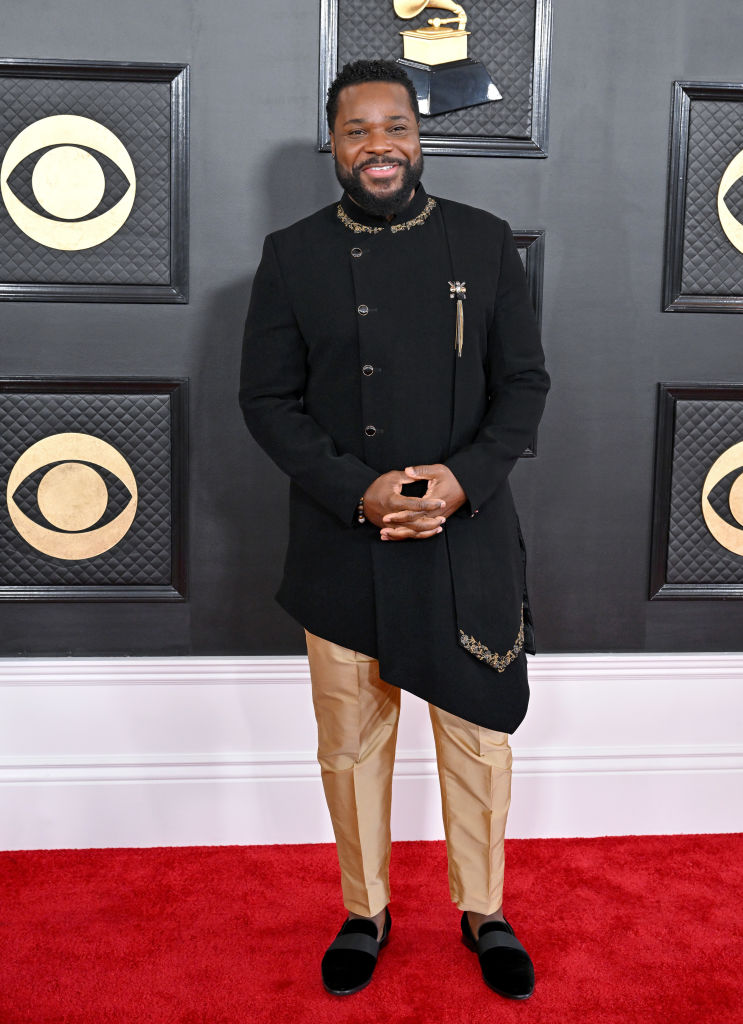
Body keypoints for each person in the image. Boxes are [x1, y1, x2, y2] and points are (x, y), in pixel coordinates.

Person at [240, 59, 549, 1000]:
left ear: (421, 137)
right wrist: (359, 492)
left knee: (477, 737)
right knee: (350, 742)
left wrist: (462, 481)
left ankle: (483, 908)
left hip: (467, 531)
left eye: (395, 128)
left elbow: (524, 386)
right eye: (357, 131)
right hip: (345, 538)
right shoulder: (290, 254)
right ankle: (364, 911)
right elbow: (268, 401)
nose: (379, 146)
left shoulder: (487, 243)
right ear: (331, 145)